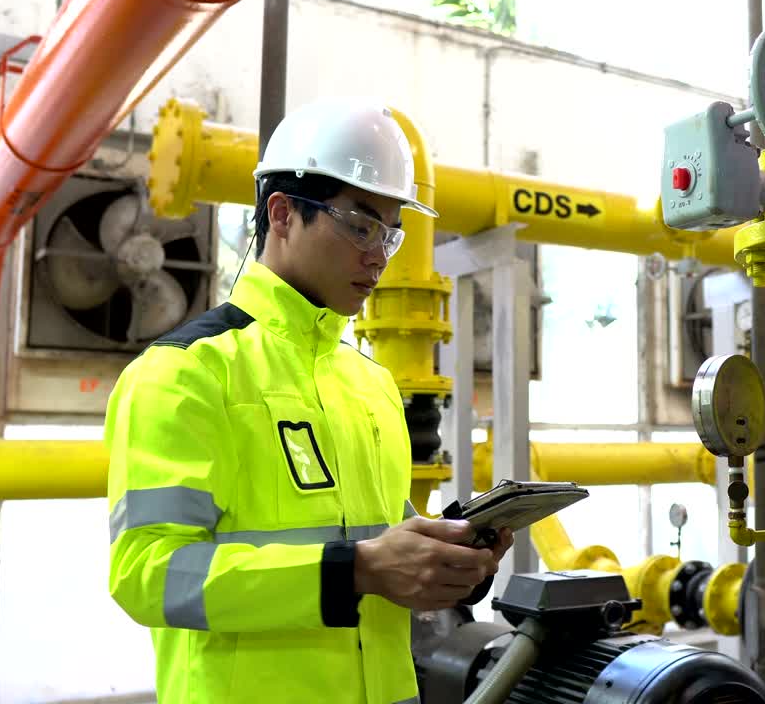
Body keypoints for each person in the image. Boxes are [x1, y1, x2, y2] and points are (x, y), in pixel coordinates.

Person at [105, 98, 512, 704]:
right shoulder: (186, 373)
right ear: (284, 213)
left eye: (391, 233)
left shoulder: (370, 386)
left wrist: (447, 560)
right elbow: (147, 574)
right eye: (361, 224)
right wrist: (355, 569)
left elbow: (384, 550)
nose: (378, 254)